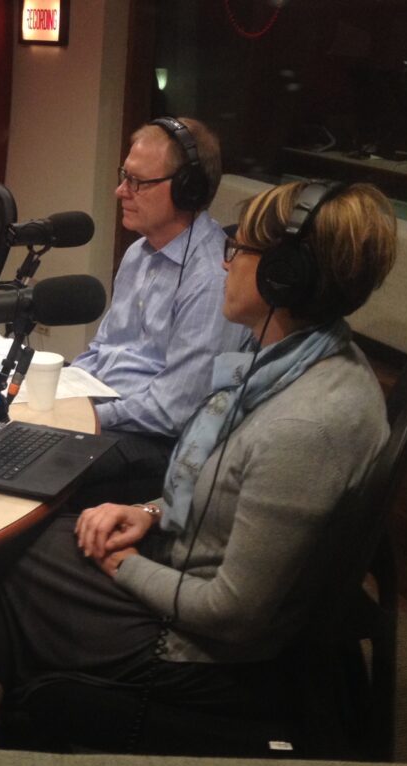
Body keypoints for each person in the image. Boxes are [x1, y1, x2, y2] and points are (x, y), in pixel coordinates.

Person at [0, 180, 397, 749]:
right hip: (180, 565)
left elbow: (233, 614)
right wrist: (149, 509)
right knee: (12, 543)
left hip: (196, 650)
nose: (224, 266)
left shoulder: (305, 425)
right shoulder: (294, 362)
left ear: (283, 274)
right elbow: (226, 491)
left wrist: (121, 565)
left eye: (237, 249)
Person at [70, 117, 247, 504]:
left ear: (188, 189)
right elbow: (102, 350)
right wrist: (58, 392)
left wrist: (84, 418)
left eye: (137, 182)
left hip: (156, 444)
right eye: (123, 176)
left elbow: (175, 409)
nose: (120, 191)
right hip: (107, 413)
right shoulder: (138, 253)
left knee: (36, 471)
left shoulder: (211, 279)